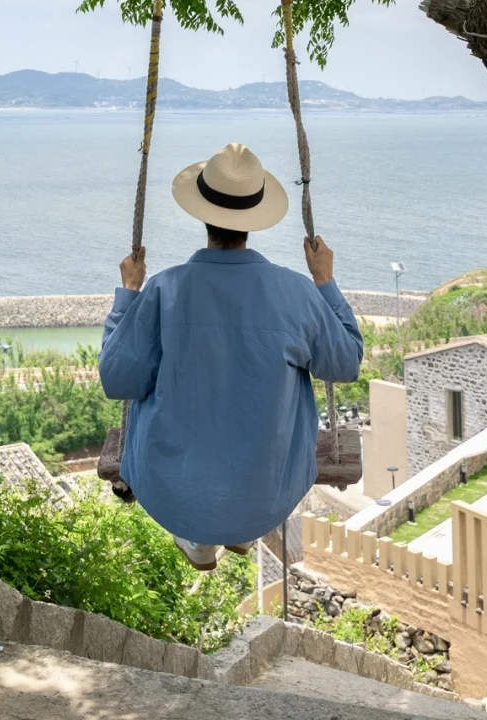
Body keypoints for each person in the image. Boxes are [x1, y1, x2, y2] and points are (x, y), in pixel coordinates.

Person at [98, 141, 363, 571]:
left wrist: (128, 296)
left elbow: (117, 379)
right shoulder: (296, 292)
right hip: (266, 495)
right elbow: (347, 361)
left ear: (202, 214)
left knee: (155, 382)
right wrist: (325, 282)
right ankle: (239, 528)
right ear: (253, 219)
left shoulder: (165, 290)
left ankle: (199, 535)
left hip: (173, 495)